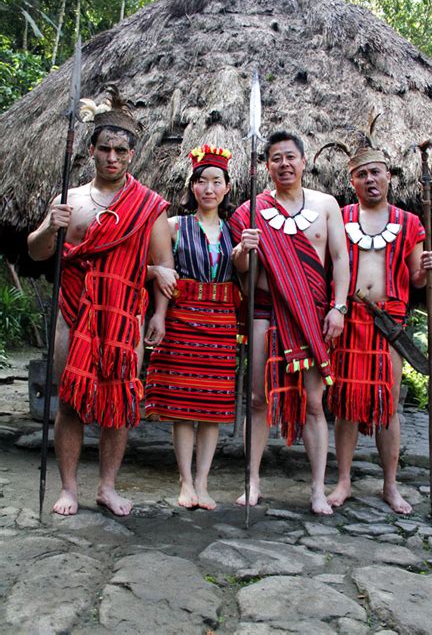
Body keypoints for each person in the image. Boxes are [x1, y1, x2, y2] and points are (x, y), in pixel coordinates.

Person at [27, 87, 173, 517]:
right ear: (90, 150)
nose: (112, 157)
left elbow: (163, 269)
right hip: (74, 313)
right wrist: (49, 230)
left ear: (131, 155)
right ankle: (69, 488)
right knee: (69, 401)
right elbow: (37, 252)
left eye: (121, 151)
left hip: (125, 315)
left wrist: (160, 316)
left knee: (119, 402)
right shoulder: (68, 200)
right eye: (105, 148)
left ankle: (107, 486)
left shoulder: (148, 207)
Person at [230, 130, 350, 514]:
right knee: (256, 398)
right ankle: (252, 480)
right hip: (266, 309)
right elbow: (244, 278)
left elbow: (340, 259)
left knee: (315, 403)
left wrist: (339, 306)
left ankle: (317, 489)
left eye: (290, 157)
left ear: (303, 161)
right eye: (276, 158)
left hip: (313, 311)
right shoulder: (250, 210)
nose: (284, 164)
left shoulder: (327, 204)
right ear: (267, 166)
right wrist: (243, 253)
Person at [145, 144, 259, 510]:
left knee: (211, 406)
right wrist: (158, 312)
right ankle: (184, 482)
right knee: (181, 404)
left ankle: (204, 483)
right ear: (192, 187)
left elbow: (243, 271)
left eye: (216, 182)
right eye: (202, 181)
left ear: (227, 188)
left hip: (221, 321)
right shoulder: (174, 226)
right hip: (182, 318)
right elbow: (156, 270)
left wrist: (244, 251)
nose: (209, 189)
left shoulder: (235, 231)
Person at [326, 146, 432, 514]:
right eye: (362, 174)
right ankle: (343, 481)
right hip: (349, 315)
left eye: (376, 172)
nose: (370, 179)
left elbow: (418, 280)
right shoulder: (340, 218)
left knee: (387, 403)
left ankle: (390, 486)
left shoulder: (409, 223)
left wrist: (428, 267)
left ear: (388, 175)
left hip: (388, 323)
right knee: (345, 403)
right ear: (352, 181)